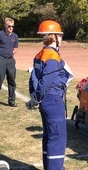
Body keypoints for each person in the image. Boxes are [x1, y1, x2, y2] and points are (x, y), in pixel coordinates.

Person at [29, 20, 73, 170]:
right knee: (57, 138)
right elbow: (47, 80)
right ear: (54, 36)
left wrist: (34, 97)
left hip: (45, 101)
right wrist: (38, 97)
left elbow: (33, 78)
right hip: (53, 100)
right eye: (59, 35)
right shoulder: (53, 56)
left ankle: (49, 166)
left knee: (48, 135)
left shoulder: (39, 54)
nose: (61, 38)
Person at [0, 18, 18, 107]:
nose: (11, 28)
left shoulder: (15, 36)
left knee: (12, 80)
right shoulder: (1, 34)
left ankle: (11, 100)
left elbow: (16, 48)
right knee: (0, 78)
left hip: (10, 60)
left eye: (12, 26)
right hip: (1, 59)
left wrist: (10, 54)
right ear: (5, 26)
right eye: (9, 26)